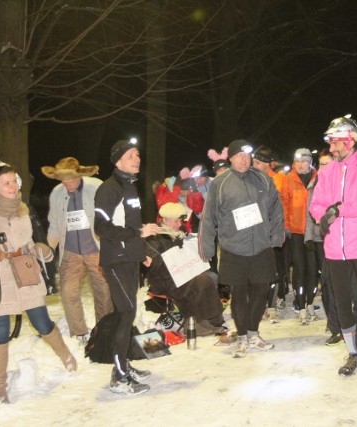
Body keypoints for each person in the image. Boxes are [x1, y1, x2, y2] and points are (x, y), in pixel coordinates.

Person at [0, 163, 77, 403]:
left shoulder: (22, 210)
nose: (11, 186)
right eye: (5, 182)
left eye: (13, 181)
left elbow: (28, 244)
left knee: (42, 323)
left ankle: (67, 357)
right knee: (0, 332)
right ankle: (0, 386)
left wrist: (42, 251)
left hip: (25, 275)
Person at [309, 114, 357, 385]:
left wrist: (339, 209)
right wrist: (325, 215)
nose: (331, 148)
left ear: (350, 140)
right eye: (330, 143)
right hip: (334, 248)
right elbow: (316, 204)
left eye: (335, 143)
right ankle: (354, 354)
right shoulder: (328, 170)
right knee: (342, 305)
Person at [198, 139, 284, 358]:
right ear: (231, 158)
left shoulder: (263, 179)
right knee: (239, 293)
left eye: (247, 156)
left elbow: (276, 207)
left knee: (261, 290)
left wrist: (276, 236)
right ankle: (243, 336)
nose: (244, 160)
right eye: (239, 156)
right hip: (234, 248)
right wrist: (206, 247)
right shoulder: (220, 183)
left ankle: (254, 333)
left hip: (261, 245)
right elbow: (209, 218)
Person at [94, 139, 162, 395]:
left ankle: (124, 365)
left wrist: (141, 251)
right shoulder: (109, 189)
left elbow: (131, 228)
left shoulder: (129, 187)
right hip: (116, 261)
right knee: (125, 314)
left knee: (129, 313)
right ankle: (119, 376)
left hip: (129, 258)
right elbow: (101, 227)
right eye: (131, 155)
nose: (137, 159)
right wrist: (138, 232)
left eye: (137, 155)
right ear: (118, 159)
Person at [41, 157, 113, 343]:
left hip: (96, 249)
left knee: (103, 292)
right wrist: (49, 247)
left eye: (72, 179)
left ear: (80, 175)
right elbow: (54, 222)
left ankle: (104, 330)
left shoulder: (96, 187)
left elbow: (111, 217)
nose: (68, 184)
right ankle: (79, 332)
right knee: (67, 291)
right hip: (71, 251)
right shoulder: (57, 193)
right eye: (64, 181)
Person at [305, 150, 357, 347]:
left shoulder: (351, 179)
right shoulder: (317, 183)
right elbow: (311, 211)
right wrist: (310, 235)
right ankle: (335, 328)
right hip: (328, 242)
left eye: (328, 164)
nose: (324, 168)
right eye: (321, 164)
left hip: (355, 241)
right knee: (331, 287)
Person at [144, 203, 226, 336]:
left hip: (181, 273)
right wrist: (176, 251)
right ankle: (193, 324)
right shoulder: (153, 237)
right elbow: (156, 265)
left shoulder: (177, 233)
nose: (179, 224)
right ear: (165, 220)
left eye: (180, 221)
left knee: (207, 277)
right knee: (199, 282)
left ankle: (211, 318)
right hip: (162, 280)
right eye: (176, 221)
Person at [252, 145, 289, 321]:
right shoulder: (252, 179)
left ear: (267, 164)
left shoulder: (279, 179)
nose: (254, 165)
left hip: (274, 231)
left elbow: (272, 202)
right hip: (257, 232)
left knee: (275, 269)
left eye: (258, 163)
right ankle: (259, 304)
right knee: (258, 269)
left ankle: (273, 304)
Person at [284, 148, 318, 325]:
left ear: (310, 162)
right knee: (299, 268)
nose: (300, 165)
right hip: (296, 232)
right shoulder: (289, 179)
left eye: (304, 161)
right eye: (297, 161)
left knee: (313, 269)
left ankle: (311, 302)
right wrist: (286, 227)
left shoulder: (317, 178)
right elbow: (284, 204)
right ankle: (301, 304)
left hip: (313, 232)